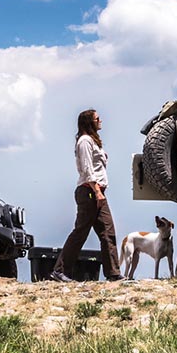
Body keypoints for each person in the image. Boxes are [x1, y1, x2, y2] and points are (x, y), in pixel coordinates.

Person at [51, 109, 124, 282]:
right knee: (81, 232)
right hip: (90, 191)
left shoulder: (93, 141)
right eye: (97, 119)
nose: (101, 121)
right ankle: (60, 271)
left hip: (98, 191)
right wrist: (97, 192)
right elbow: (87, 168)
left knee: (108, 232)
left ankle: (113, 273)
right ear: (89, 122)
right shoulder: (84, 141)